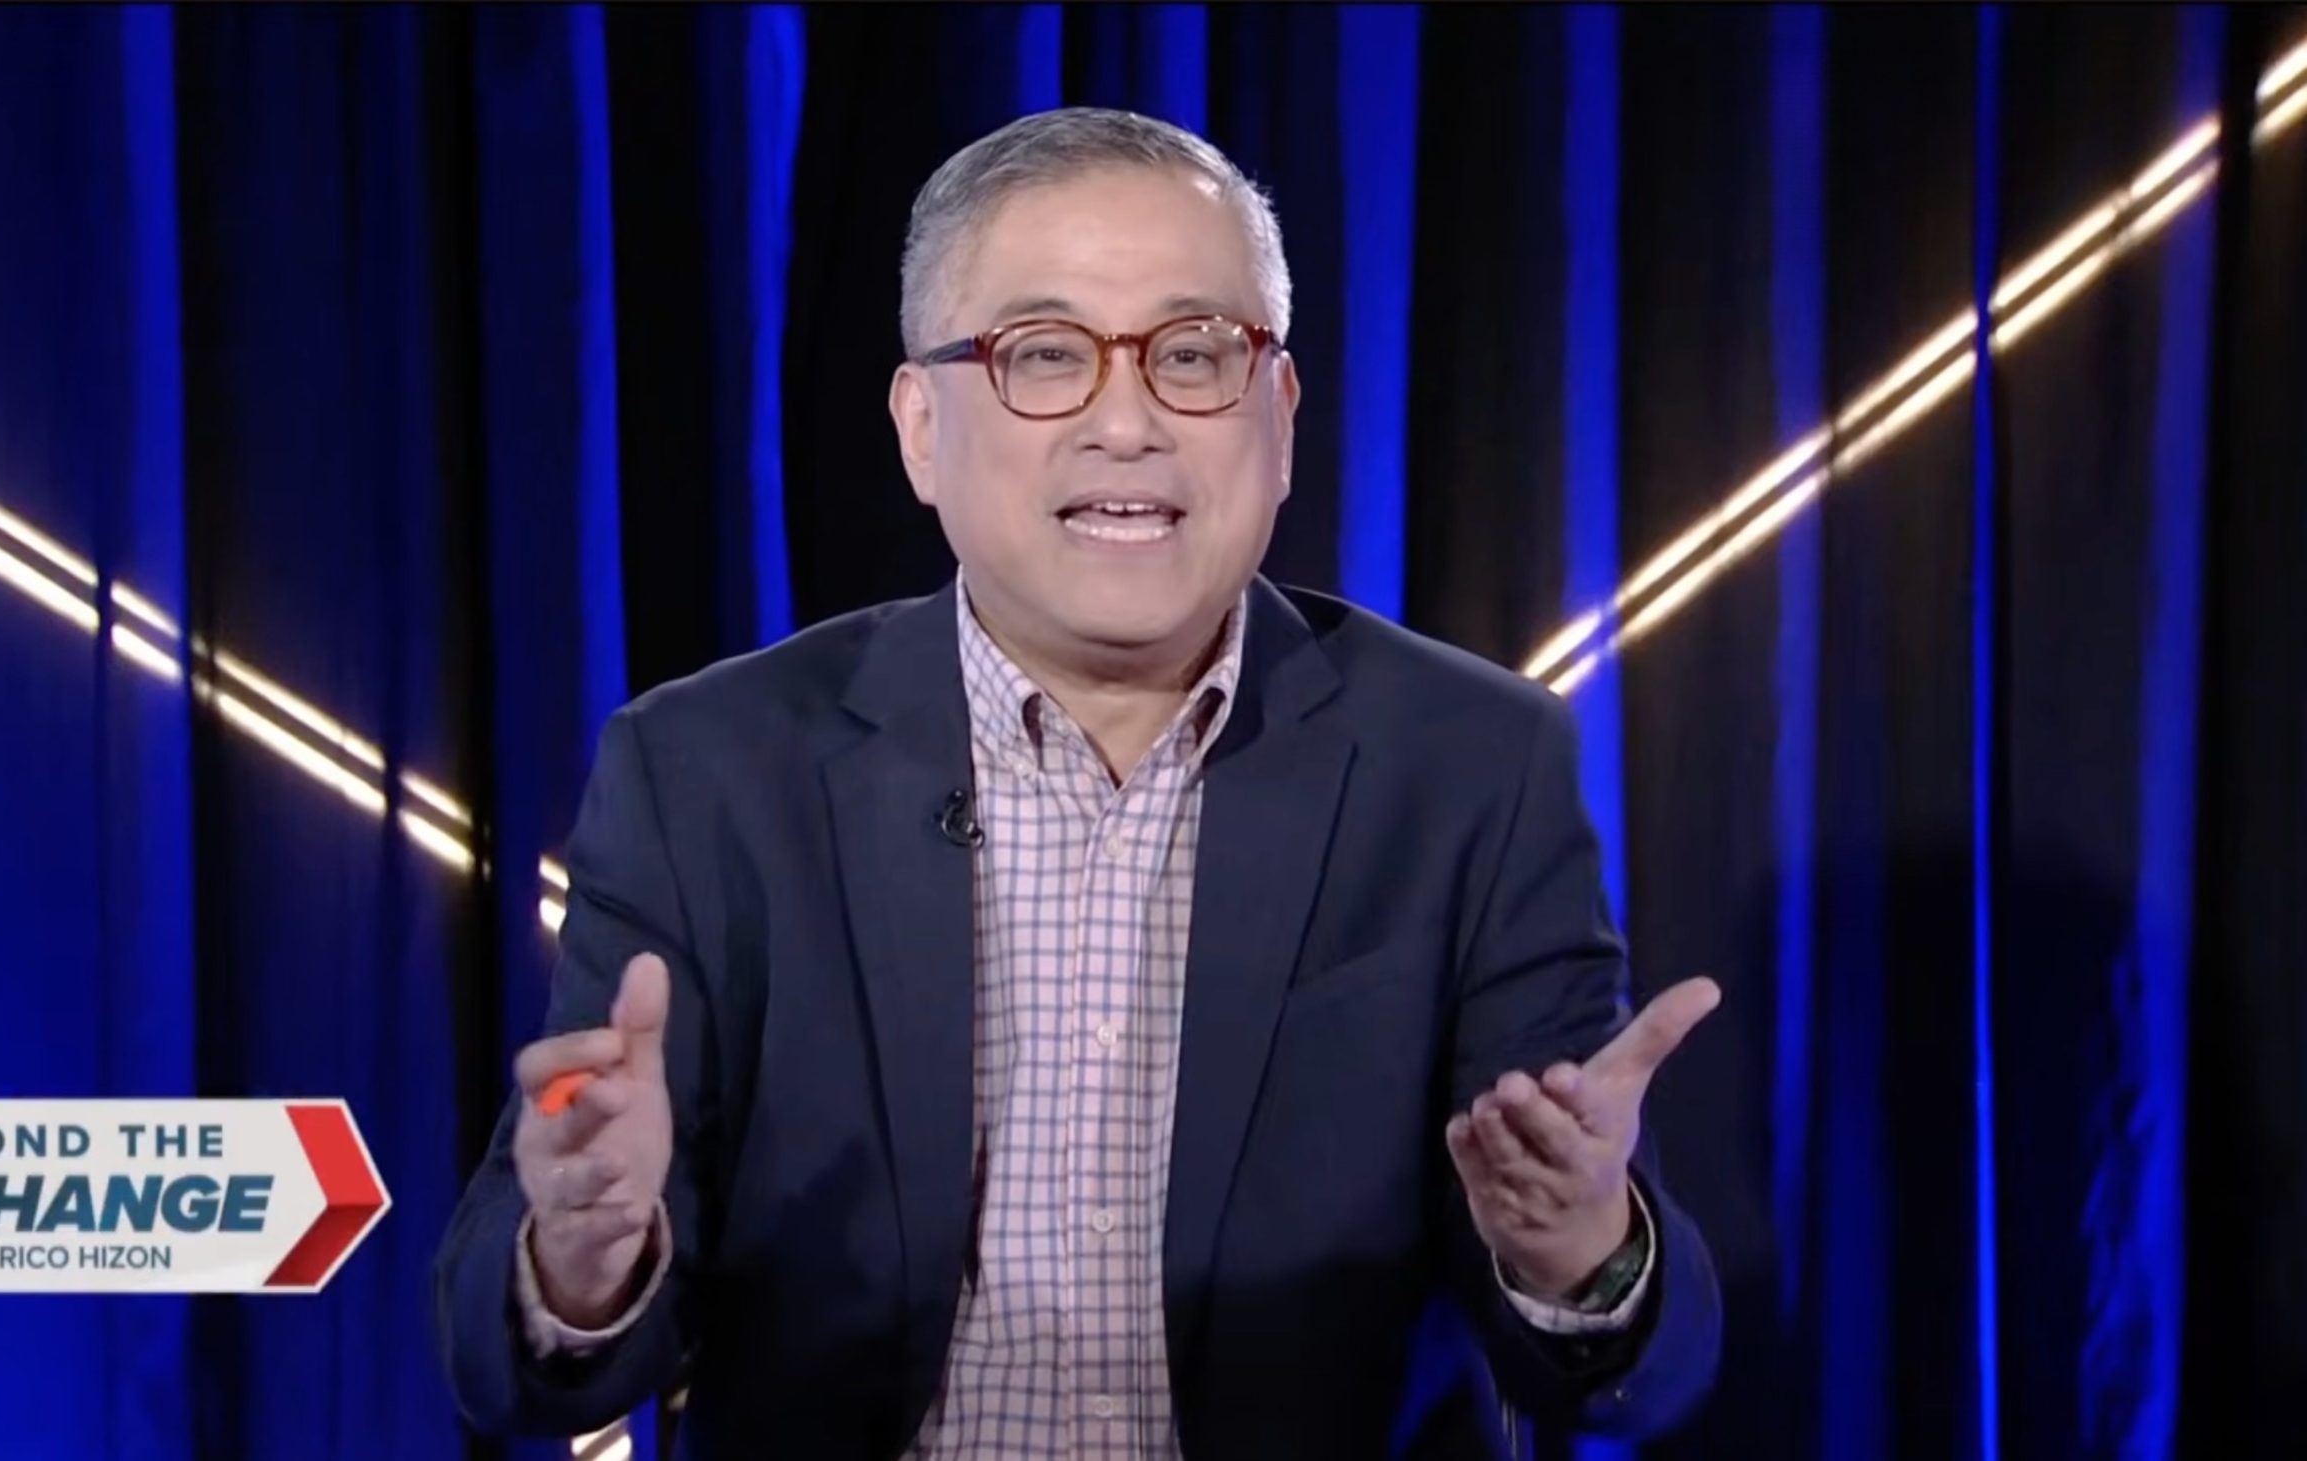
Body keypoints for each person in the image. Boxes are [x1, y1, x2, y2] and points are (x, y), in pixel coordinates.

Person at [434, 106, 1721, 1459]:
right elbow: (500, 1364)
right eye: (1043, 355)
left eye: (1194, 354)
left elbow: (1648, 1374)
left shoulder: (1471, 767)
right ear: (920, 429)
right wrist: (585, 1261)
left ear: (1280, 419)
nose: (1125, 422)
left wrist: (1584, 1252)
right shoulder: (709, 772)